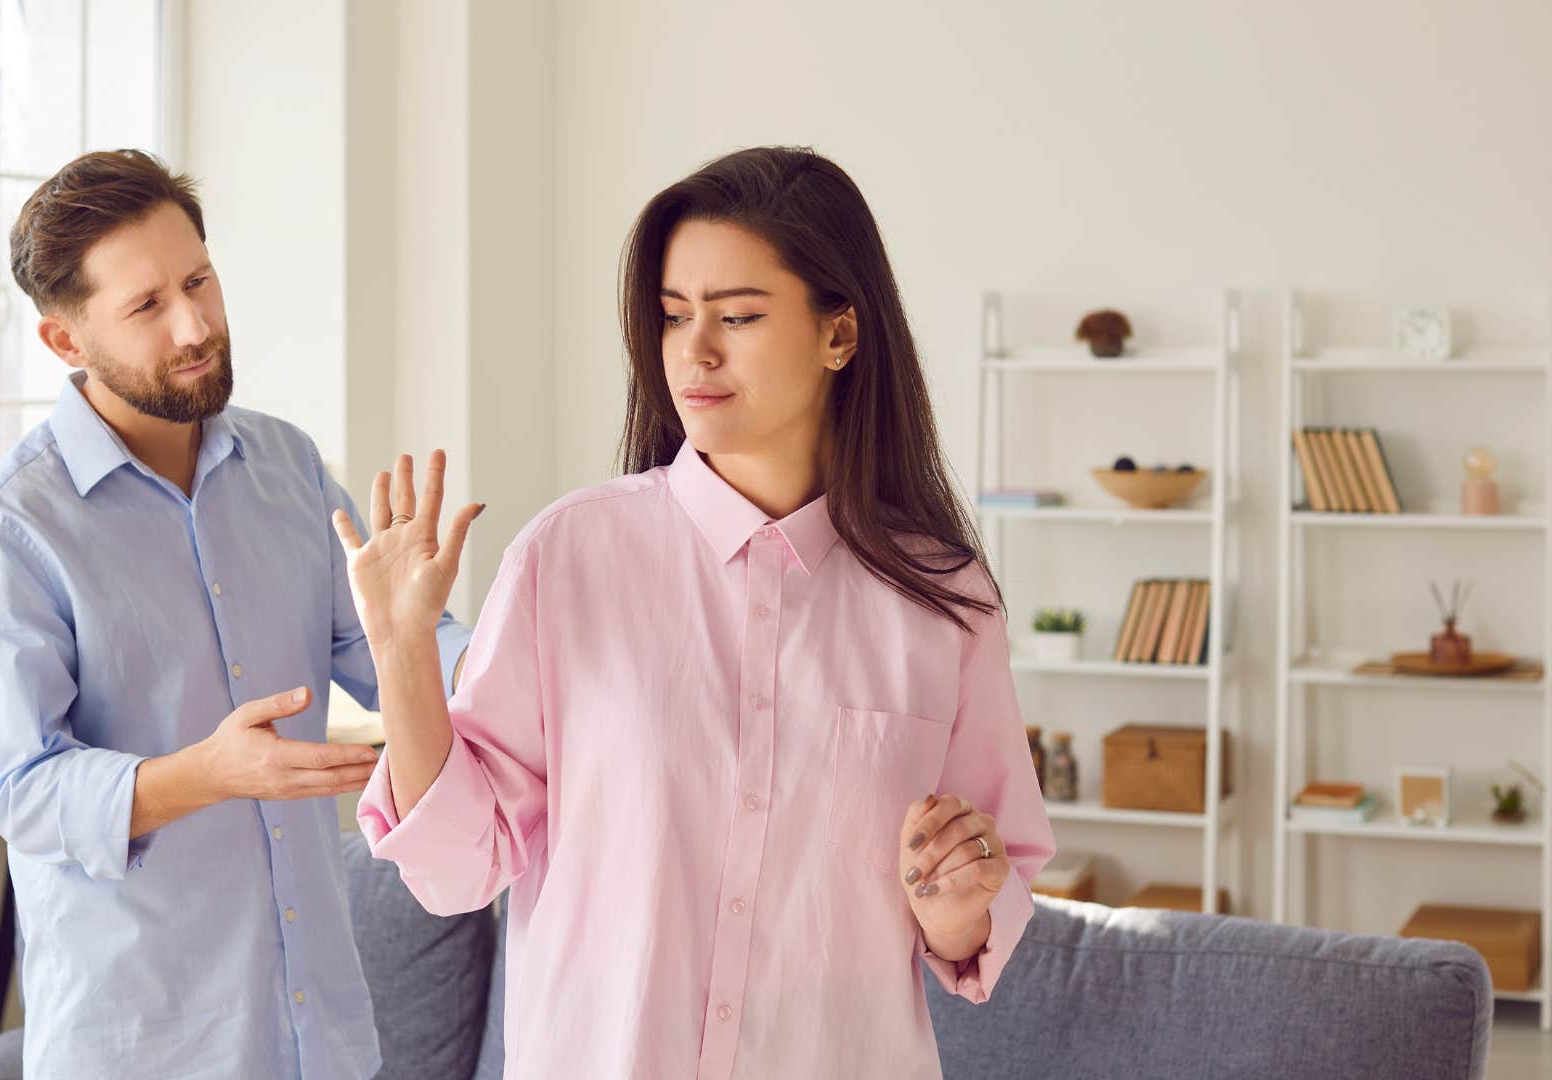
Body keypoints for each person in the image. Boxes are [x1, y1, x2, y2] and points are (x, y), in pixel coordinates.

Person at [344, 146, 1054, 1078]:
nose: (695, 350)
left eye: (740, 316)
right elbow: (455, 871)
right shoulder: (568, 560)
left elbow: (999, 877)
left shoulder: (944, 599)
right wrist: (400, 652)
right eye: (675, 316)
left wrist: (959, 905)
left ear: (840, 334)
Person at [0, 149, 471, 1078]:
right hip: (145, 1043)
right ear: (67, 342)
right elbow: (25, 790)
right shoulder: (16, 525)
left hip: (318, 1037)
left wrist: (522, 658)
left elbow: (383, 644)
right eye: (147, 306)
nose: (196, 324)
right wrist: (211, 773)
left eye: (199, 280)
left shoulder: (286, 464)